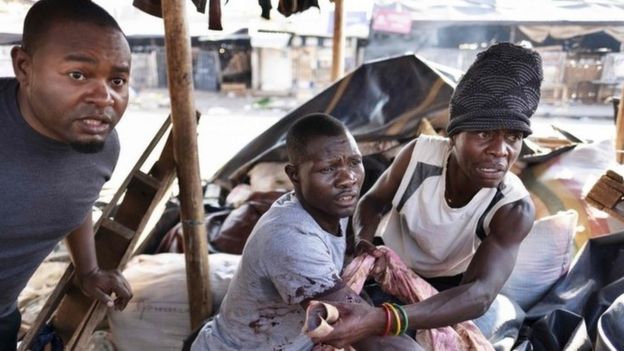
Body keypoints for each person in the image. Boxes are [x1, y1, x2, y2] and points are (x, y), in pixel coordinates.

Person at [313, 42, 542, 348]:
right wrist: (361, 249)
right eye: (484, 134)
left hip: (446, 293)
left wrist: (385, 319)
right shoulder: (419, 155)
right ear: (454, 135)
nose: (500, 151)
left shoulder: (512, 207)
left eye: (513, 137)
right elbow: (373, 201)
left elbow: (480, 292)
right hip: (383, 270)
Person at [190, 113, 419, 350]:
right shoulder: (290, 239)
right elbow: (367, 333)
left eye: (354, 162)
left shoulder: (328, 207)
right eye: (328, 169)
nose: (347, 179)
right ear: (294, 175)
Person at [0, 1, 133, 349]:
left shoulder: (101, 147)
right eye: (78, 75)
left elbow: (74, 198)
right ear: (24, 67)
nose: (105, 97)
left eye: (117, 80)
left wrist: (88, 271)